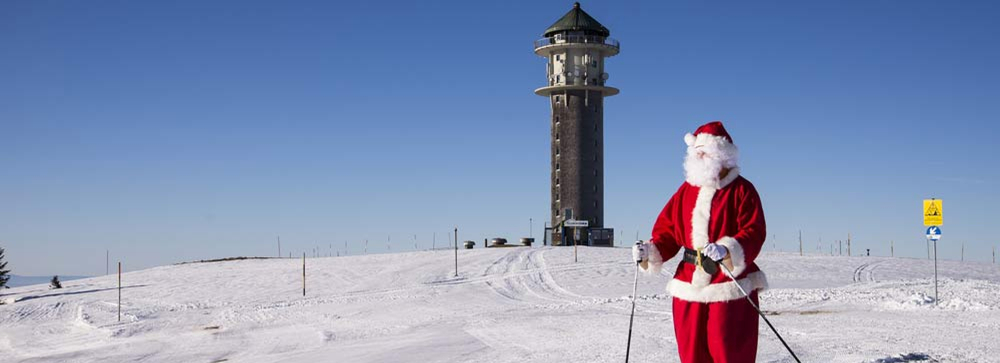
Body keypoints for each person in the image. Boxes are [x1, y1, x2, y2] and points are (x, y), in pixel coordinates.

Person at [632, 121, 768, 363]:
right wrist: (649, 251)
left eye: (704, 152)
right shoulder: (685, 191)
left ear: (721, 155)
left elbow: (755, 231)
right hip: (689, 284)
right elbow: (668, 232)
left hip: (728, 283)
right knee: (691, 353)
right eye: (696, 153)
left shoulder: (743, 191)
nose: (698, 156)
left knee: (729, 352)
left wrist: (727, 249)